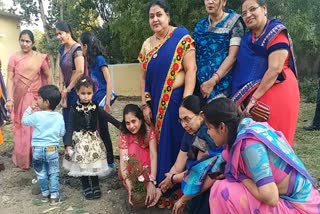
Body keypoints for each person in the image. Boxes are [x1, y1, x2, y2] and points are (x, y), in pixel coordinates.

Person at [202, 97, 320, 213]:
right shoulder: (246, 129)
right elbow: (213, 169)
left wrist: (242, 178)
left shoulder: (250, 145)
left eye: (209, 128)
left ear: (222, 127)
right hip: (304, 200)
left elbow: (271, 197)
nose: (208, 132)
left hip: (300, 207)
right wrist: (185, 198)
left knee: (222, 190)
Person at [138, 0, 197, 192]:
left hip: (176, 103)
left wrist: (186, 104)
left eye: (159, 15)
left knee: (177, 141)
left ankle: (180, 188)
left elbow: (190, 70)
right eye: (151, 16)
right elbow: (143, 77)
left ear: (168, 16)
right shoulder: (147, 45)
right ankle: (163, 186)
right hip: (155, 104)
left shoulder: (181, 37)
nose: (155, 19)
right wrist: (145, 105)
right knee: (161, 143)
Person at [231, 0, 300, 146]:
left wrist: (254, 99)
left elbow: (275, 69)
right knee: (255, 144)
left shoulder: (276, 32)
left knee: (277, 143)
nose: (248, 15)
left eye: (252, 9)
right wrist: (241, 99)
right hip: (252, 102)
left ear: (264, 9)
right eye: (244, 13)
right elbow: (241, 70)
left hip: (279, 93)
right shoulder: (246, 40)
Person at [151, 95, 223, 212]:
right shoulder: (188, 134)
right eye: (181, 120)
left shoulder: (207, 135)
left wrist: (181, 195)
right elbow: (178, 165)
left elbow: (200, 173)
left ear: (201, 116)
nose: (183, 125)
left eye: (187, 119)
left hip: (207, 189)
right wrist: (162, 188)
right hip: (192, 186)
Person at [62, 76, 120, 200]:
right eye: (83, 93)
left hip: (93, 141)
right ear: (77, 92)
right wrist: (68, 144)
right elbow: (70, 126)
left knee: (94, 163)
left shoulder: (95, 107)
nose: (86, 96)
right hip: (79, 141)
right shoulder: (73, 109)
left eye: (89, 93)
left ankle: (95, 185)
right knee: (82, 164)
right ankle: (86, 185)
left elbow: (107, 117)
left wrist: (121, 126)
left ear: (93, 93)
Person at [5, 29, 52, 169]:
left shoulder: (39, 58)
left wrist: (50, 96)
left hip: (37, 99)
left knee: (36, 127)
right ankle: (24, 158)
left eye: (27, 41)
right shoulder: (14, 57)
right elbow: (10, 78)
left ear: (32, 43)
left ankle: (38, 157)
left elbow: (48, 75)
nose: (24, 44)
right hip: (20, 99)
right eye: (22, 40)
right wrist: (9, 98)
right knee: (22, 127)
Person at [80, 32, 117, 176]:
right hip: (94, 101)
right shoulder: (88, 62)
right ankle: (104, 162)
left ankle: (110, 164)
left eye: (81, 46)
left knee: (104, 132)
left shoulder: (100, 59)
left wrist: (107, 102)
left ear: (86, 46)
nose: (81, 50)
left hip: (102, 100)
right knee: (100, 131)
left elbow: (108, 80)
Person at [193, 0, 245, 103]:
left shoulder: (234, 22)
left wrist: (212, 81)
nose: (210, 2)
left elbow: (233, 56)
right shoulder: (200, 26)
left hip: (224, 90)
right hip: (200, 89)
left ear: (224, 2)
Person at [22, 85, 65, 205]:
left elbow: (24, 121)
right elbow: (62, 132)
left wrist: (30, 109)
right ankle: (54, 196)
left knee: (41, 172)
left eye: (39, 98)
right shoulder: (59, 117)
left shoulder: (36, 115)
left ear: (46, 102)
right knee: (54, 172)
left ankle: (45, 194)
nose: (37, 100)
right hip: (52, 149)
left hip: (38, 149)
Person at [118, 104, 157, 207]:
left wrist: (152, 180)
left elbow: (153, 155)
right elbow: (123, 160)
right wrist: (129, 184)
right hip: (132, 166)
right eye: (127, 123)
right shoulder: (124, 134)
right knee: (132, 150)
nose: (131, 126)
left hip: (148, 165)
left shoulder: (149, 130)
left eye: (133, 121)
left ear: (140, 119)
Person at [56, 21, 85, 145]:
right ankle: (68, 149)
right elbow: (61, 68)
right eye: (56, 34)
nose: (58, 37)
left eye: (60, 33)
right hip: (65, 91)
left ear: (68, 33)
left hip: (76, 91)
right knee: (66, 121)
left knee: (77, 121)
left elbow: (80, 71)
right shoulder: (62, 48)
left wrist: (68, 89)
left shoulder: (77, 49)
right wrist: (62, 86)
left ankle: (79, 151)